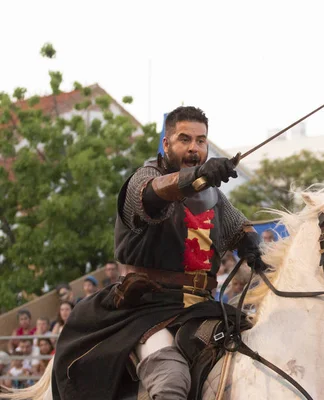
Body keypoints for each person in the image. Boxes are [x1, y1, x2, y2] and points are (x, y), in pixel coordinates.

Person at [52, 106, 265, 400]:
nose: (194, 148)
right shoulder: (144, 179)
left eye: (201, 141)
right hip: (144, 308)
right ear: (166, 144)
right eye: (185, 139)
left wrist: (251, 245)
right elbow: (153, 194)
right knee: (172, 380)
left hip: (200, 307)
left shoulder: (214, 196)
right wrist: (196, 175)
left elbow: (240, 229)